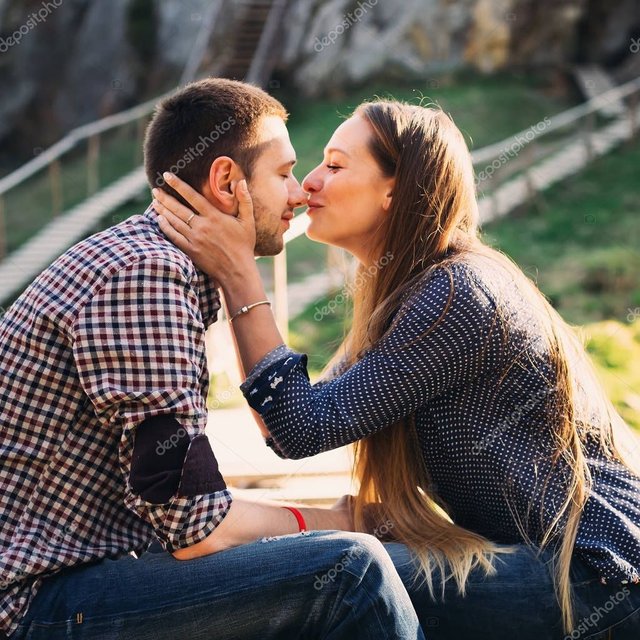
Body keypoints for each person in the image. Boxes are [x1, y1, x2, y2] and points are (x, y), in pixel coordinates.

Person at [153, 98, 640, 638]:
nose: (308, 183)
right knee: (337, 554)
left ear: (396, 189)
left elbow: (299, 426)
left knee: (338, 575)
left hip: (601, 576)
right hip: (541, 560)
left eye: (335, 166)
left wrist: (240, 274)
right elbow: (288, 421)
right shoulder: (410, 299)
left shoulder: (459, 295)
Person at [0, 79, 425, 640]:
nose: (298, 194)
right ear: (227, 181)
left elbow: (182, 499)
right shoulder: (144, 277)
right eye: (283, 173)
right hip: (38, 603)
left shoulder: (146, 263)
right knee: (352, 569)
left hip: (81, 577)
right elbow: (196, 526)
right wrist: (339, 518)